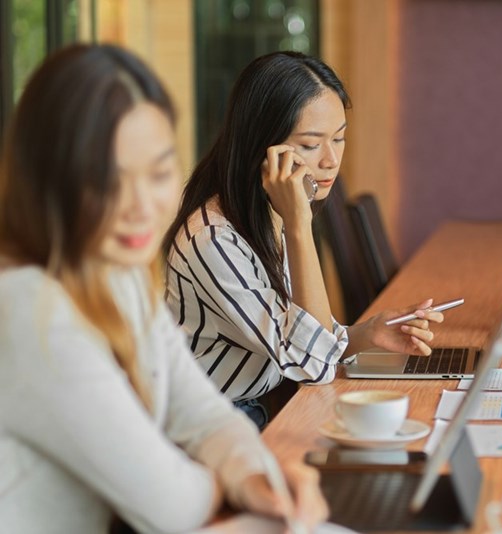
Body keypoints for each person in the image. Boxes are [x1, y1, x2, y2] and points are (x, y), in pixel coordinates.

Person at [0, 44, 327, 533]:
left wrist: (258, 476)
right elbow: (171, 505)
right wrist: (227, 481)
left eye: (157, 173)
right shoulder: (28, 306)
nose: (140, 205)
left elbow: (201, 413)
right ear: (46, 181)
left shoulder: (119, 277)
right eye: (105, 181)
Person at [163, 51, 442, 428]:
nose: (330, 159)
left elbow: (299, 338)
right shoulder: (214, 240)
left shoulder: (266, 213)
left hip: (265, 407)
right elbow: (314, 365)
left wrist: (366, 334)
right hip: (213, 425)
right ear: (262, 148)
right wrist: (300, 223)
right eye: (311, 144)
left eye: (339, 138)